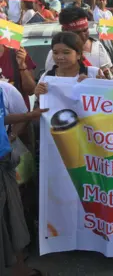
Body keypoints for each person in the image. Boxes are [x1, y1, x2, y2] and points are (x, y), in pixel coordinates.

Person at [0, 83, 49, 276]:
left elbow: (3, 118)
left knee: (13, 215)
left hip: (5, 159)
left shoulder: (2, 90)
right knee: (9, 216)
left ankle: (19, 267)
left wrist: (28, 116)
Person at [35, 32, 103, 98]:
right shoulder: (47, 76)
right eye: (55, 53)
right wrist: (38, 94)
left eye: (66, 52)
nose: (60, 57)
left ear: (79, 54)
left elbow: (107, 101)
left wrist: (95, 87)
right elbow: (42, 106)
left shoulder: (93, 73)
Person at [45, 7, 112, 71]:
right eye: (77, 32)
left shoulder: (97, 47)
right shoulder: (55, 55)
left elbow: (108, 74)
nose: (83, 36)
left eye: (85, 30)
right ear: (64, 30)